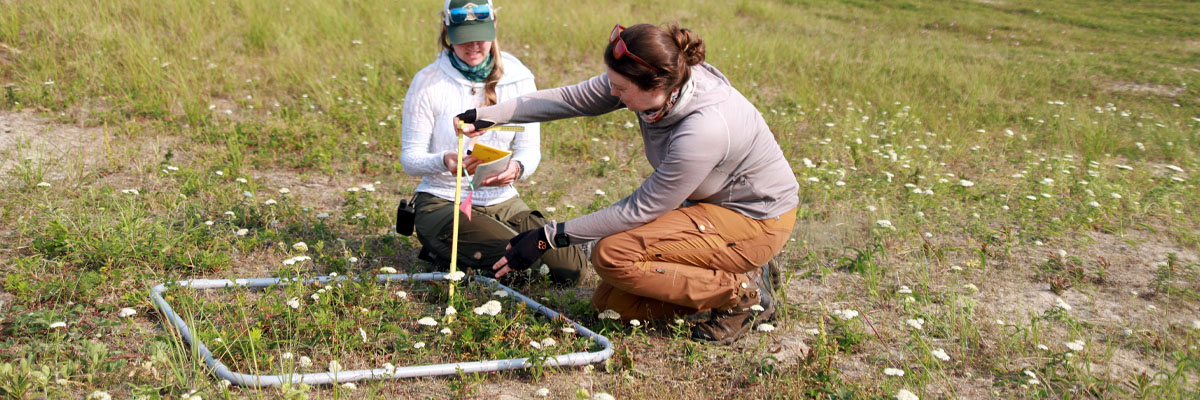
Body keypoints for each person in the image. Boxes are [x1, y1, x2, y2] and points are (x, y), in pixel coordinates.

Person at [456, 23, 799, 344]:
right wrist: (491, 114)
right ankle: (733, 268)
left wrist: (547, 238)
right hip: (709, 209)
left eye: (620, 88)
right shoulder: (653, 83)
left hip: (755, 219)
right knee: (613, 305)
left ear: (657, 86)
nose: (610, 92)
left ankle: (742, 294)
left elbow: (641, 208)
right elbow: (569, 99)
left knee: (613, 255)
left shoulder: (704, 128)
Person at [399, 0, 589, 285]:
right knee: (520, 257)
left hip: (503, 201)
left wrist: (516, 169)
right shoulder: (427, 82)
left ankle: (468, 252)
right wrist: (445, 160)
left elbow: (529, 151)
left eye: (481, 37)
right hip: (443, 200)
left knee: (571, 268)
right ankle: (452, 246)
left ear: (495, 27)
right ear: (447, 31)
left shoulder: (519, 78)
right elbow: (410, 158)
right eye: (464, 39)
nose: (473, 46)